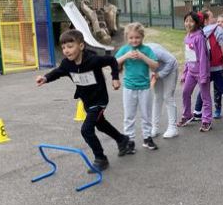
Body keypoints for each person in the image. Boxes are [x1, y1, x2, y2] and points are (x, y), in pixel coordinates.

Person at [35, 29, 129, 171]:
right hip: (87, 101)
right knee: (101, 124)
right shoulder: (67, 64)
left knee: (86, 130)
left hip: (99, 100)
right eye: (63, 48)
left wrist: (115, 78)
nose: (66, 50)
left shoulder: (93, 60)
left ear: (81, 46)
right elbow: (57, 72)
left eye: (70, 46)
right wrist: (46, 78)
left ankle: (101, 158)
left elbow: (111, 60)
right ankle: (122, 140)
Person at [116, 23, 159, 152]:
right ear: (127, 38)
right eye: (131, 38)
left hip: (144, 87)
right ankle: (129, 140)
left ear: (142, 37)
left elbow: (155, 66)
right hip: (129, 88)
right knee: (129, 116)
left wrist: (142, 57)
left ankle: (147, 138)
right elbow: (114, 63)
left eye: (137, 37)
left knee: (146, 115)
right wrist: (126, 56)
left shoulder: (146, 50)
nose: (134, 40)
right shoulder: (124, 49)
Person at [177, 11, 212, 132]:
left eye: (191, 21)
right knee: (185, 93)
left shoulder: (199, 37)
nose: (188, 23)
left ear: (196, 23)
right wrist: (185, 73)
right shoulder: (187, 37)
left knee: (205, 97)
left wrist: (203, 75)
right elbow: (188, 57)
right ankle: (187, 115)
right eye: (186, 21)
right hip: (191, 73)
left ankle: (206, 120)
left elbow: (203, 57)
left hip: (201, 73)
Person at [145, 42, 179, 139]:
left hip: (170, 68)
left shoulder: (153, 51)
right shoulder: (134, 55)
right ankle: (154, 128)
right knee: (157, 97)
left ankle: (173, 128)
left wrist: (160, 74)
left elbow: (171, 60)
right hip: (156, 71)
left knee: (168, 97)